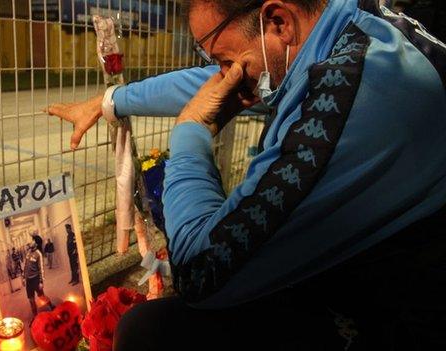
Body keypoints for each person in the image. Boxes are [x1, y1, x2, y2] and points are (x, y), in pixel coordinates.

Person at [48, 0, 446, 349]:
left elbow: (200, 274)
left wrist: (191, 132)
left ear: (278, 22)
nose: (223, 75)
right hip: (393, 261)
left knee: (148, 330)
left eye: (223, 59)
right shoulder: (342, 25)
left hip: (397, 313)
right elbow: (215, 83)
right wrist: (110, 101)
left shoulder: (341, 103)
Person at [22, 240, 53, 318]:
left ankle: (51, 305)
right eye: (30, 247)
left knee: (41, 296)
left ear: (35, 246)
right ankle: (35, 317)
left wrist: (41, 282)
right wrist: (23, 277)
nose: (30, 248)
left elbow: (41, 269)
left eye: (32, 247)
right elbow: (25, 266)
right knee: (31, 300)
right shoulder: (28, 253)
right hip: (28, 281)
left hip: (35, 279)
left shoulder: (38, 254)